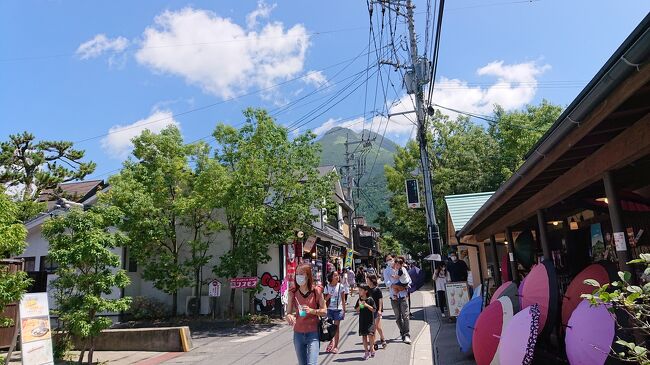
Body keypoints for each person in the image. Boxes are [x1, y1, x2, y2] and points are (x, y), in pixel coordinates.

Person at [286, 264, 327, 365]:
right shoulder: (293, 292)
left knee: (311, 363)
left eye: (301, 274)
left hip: (313, 333)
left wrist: (312, 311)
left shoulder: (316, 291)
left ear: (308, 276)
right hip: (298, 334)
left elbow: (325, 311)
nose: (298, 276)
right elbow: (288, 313)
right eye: (297, 274)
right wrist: (289, 316)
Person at [386, 257, 412, 343]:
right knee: (398, 317)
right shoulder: (386, 271)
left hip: (403, 295)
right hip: (394, 297)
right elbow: (387, 283)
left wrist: (402, 287)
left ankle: (407, 334)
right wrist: (397, 287)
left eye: (390, 259)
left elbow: (409, 280)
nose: (390, 261)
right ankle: (403, 333)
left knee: (405, 315)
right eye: (387, 260)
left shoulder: (402, 269)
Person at [324, 271, 346, 353]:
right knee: (330, 328)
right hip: (329, 309)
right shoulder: (327, 287)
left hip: (338, 310)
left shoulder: (341, 286)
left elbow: (343, 300)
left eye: (338, 275)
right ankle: (331, 342)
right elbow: (324, 301)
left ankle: (336, 346)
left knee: (336, 328)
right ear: (331, 277)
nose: (337, 277)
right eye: (335, 275)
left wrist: (344, 310)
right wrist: (328, 296)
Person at [355, 285, 377, 359]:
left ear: (366, 291)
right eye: (359, 290)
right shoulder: (359, 299)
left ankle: (371, 348)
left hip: (370, 321)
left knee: (370, 335)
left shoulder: (370, 299)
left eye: (361, 290)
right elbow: (357, 310)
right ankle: (366, 351)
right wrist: (360, 305)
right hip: (362, 321)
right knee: (364, 336)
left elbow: (374, 309)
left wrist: (367, 305)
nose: (359, 291)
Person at [366, 273, 387, 350]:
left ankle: (374, 343)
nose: (366, 281)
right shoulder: (367, 289)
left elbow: (380, 300)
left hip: (377, 310)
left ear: (372, 280)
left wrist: (379, 310)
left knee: (375, 327)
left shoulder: (377, 289)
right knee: (377, 327)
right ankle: (382, 339)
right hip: (369, 310)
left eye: (367, 279)